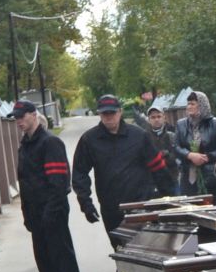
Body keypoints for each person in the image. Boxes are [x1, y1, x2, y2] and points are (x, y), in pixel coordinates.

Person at [11, 100, 89, 272]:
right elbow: (24, 181)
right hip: (35, 212)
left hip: (52, 210)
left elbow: (59, 182)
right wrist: (27, 213)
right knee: (44, 261)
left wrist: (50, 212)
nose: (19, 121)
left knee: (62, 258)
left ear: (34, 115)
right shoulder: (25, 145)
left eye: (22, 116)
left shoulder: (50, 142)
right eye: (16, 118)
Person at [72, 93, 170, 247]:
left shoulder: (138, 136)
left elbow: (158, 168)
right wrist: (85, 203)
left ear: (120, 112)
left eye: (112, 112)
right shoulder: (89, 140)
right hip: (112, 209)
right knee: (121, 252)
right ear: (99, 114)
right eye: (105, 113)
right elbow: (79, 173)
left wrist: (170, 198)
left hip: (141, 206)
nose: (109, 117)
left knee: (144, 250)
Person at [175, 91, 216, 199]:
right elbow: (176, 147)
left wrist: (208, 157)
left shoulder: (215, 124)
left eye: (192, 104)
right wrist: (189, 155)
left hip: (209, 176)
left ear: (202, 105)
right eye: (188, 104)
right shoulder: (181, 124)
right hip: (188, 176)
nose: (188, 107)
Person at [145, 102, 180, 196]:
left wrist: (166, 155)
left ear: (164, 118)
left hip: (172, 180)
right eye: (153, 117)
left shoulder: (173, 135)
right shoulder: (144, 137)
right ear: (148, 120)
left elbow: (177, 157)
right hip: (153, 183)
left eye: (158, 116)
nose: (156, 119)